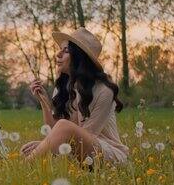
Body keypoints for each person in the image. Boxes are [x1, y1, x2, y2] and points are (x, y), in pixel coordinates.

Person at [21, 27, 129, 164]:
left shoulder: (104, 90)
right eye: (60, 50)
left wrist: (47, 145)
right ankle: (28, 163)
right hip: (79, 152)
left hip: (107, 154)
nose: (58, 54)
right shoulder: (63, 88)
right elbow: (54, 131)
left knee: (58, 132)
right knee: (27, 149)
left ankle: (21, 167)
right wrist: (44, 102)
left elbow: (86, 135)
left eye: (66, 51)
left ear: (79, 57)